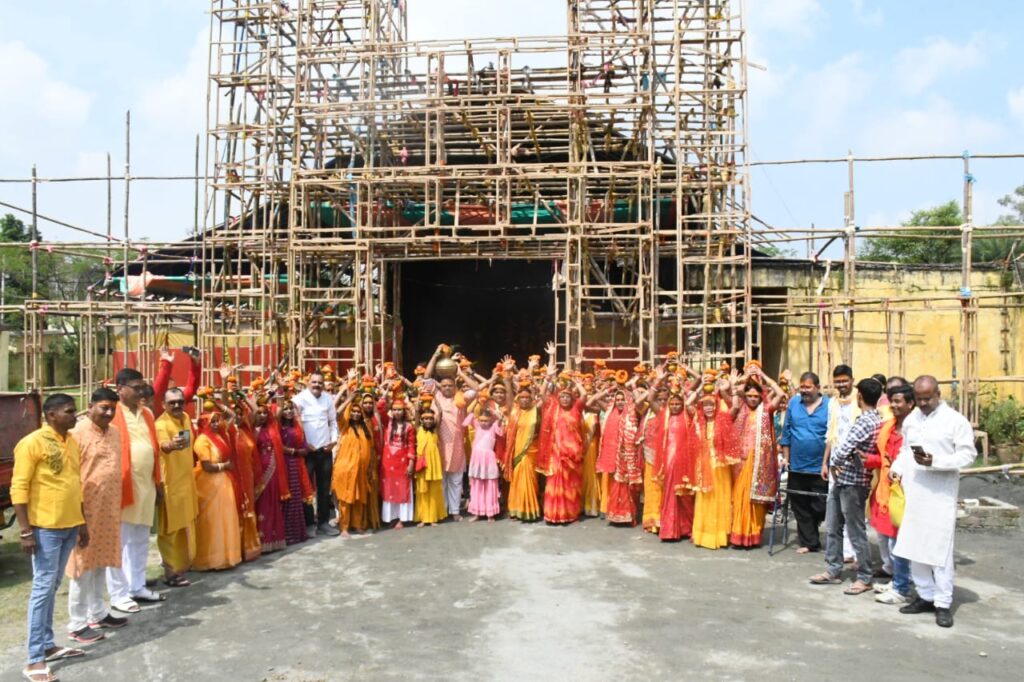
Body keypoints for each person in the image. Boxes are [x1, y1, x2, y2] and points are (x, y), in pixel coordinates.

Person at [12, 394, 90, 681]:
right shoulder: (32, 443)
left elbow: (75, 484)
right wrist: (25, 531)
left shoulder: (70, 440)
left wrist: (82, 523)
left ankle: (47, 645)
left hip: (70, 525)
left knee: (52, 586)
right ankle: (34, 660)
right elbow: (18, 489)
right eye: (69, 411)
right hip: (45, 528)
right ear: (50, 414)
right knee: (43, 589)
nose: (75, 416)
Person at [892, 376, 977, 628]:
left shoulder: (955, 421)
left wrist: (936, 461)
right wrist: (897, 468)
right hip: (914, 492)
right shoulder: (912, 420)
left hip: (940, 495)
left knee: (939, 551)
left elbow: (968, 454)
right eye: (918, 399)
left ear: (938, 394)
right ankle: (925, 595)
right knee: (914, 546)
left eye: (928, 398)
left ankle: (942, 602)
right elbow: (905, 450)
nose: (923, 403)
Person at [66, 388, 128, 645]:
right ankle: (77, 624)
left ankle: (98, 613)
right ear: (90, 406)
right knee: (82, 567)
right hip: (85, 513)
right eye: (103, 407)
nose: (109, 413)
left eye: (112, 408)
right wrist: (78, 517)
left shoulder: (114, 432)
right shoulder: (76, 434)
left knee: (101, 561)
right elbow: (70, 477)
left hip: (108, 510)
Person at [810, 378, 883, 594]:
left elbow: (842, 450)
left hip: (853, 482)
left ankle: (864, 576)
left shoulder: (865, 422)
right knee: (833, 526)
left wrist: (836, 461)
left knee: (854, 530)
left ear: (860, 396)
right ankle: (833, 570)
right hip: (845, 480)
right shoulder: (874, 419)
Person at [108, 368, 165, 613]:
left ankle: (137, 586)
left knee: (141, 539)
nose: (141, 391)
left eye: (142, 386)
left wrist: (158, 483)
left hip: (146, 485)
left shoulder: (148, 414)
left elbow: (154, 449)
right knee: (118, 542)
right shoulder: (111, 413)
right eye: (135, 386)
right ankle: (118, 594)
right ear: (119, 388)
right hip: (123, 487)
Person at [866, 382, 914, 605]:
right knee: (888, 537)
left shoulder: (914, 429)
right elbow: (883, 457)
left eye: (898, 401)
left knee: (901, 541)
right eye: (891, 401)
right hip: (885, 487)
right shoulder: (888, 427)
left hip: (906, 491)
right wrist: (867, 460)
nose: (893, 405)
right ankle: (897, 579)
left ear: (910, 404)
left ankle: (902, 587)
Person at [729, 365, 785, 548]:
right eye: (749, 395)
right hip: (740, 460)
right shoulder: (739, 409)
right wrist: (744, 378)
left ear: (760, 396)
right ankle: (738, 534)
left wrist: (763, 375)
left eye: (755, 396)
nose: (752, 399)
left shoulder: (766, 410)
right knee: (739, 498)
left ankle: (752, 535)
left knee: (754, 500)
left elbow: (780, 394)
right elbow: (731, 392)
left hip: (759, 462)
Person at [779, 372, 830, 553]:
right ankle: (810, 543)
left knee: (820, 505)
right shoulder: (794, 403)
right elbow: (787, 432)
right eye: (802, 387)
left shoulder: (829, 406)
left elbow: (832, 436)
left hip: (820, 467)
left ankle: (813, 530)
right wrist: (786, 457)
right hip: (797, 464)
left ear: (817, 387)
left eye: (808, 387)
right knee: (799, 504)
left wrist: (827, 462)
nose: (805, 390)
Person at [154, 387, 199, 587]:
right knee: (169, 530)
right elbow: (163, 445)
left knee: (185, 525)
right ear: (163, 405)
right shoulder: (161, 424)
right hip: (170, 483)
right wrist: (171, 445)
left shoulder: (187, 418)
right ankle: (170, 573)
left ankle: (182, 566)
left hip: (186, 481)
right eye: (172, 402)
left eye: (180, 401)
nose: (177, 405)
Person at [192, 400, 243, 571]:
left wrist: (215, 400)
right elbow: (207, 466)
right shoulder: (201, 441)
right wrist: (225, 466)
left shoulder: (221, 434)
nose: (215, 424)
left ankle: (227, 557)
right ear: (203, 423)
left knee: (226, 519)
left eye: (216, 421)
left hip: (224, 483)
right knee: (212, 521)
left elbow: (232, 415)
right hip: (209, 484)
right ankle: (211, 559)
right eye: (211, 421)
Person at [689, 380, 740, 548]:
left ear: (717, 407)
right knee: (705, 500)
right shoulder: (698, 420)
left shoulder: (724, 419)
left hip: (720, 468)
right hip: (704, 467)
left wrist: (730, 389)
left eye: (712, 405)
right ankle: (704, 536)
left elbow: (735, 407)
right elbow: (687, 403)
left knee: (720, 499)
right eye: (706, 406)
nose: (709, 408)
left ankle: (720, 535)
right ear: (701, 408)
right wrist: (699, 389)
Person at [292, 372, 341, 537]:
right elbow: (294, 425)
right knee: (306, 490)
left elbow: (333, 422)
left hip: (325, 450)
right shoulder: (299, 399)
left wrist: (334, 441)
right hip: (307, 452)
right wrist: (305, 444)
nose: (317, 385)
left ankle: (323, 523)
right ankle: (308, 524)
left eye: (320, 383)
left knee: (324, 488)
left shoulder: (328, 399)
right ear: (308, 383)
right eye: (314, 382)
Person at [538, 377, 586, 524]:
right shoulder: (554, 409)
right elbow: (542, 394)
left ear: (573, 399)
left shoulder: (576, 408)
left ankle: (570, 514)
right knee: (555, 483)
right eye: (562, 396)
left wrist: (577, 382)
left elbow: (584, 395)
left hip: (573, 455)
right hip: (556, 454)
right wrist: (546, 379)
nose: (565, 399)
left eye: (567, 397)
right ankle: (553, 514)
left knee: (572, 485)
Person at [824, 364, 859, 563]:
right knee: (835, 507)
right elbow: (830, 434)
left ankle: (855, 552)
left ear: (852, 380)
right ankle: (842, 552)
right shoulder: (832, 403)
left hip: (854, 463)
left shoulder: (859, 401)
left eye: (845, 380)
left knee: (853, 509)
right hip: (835, 463)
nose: (841, 384)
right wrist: (825, 463)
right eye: (838, 381)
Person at [331, 389, 375, 537]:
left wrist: (369, 467)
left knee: (359, 498)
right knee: (345, 498)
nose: (356, 414)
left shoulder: (365, 428)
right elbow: (337, 414)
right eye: (353, 412)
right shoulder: (345, 426)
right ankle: (344, 527)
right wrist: (348, 399)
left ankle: (356, 525)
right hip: (345, 469)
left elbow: (370, 449)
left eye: (358, 412)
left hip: (361, 470)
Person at [655, 390, 696, 541]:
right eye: (672, 404)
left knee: (685, 496)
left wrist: (684, 391)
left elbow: (692, 401)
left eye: (678, 404)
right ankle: (669, 530)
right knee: (670, 494)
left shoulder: (688, 415)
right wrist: (658, 383)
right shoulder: (664, 416)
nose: (675, 406)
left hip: (685, 461)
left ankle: (687, 528)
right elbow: (651, 398)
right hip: (669, 462)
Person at [274, 401, 314, 545]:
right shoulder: (278, 427)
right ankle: (285, 534)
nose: (289, 411)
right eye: (286, 409)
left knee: (297, 498)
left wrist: (304, 449)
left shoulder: (297, 425)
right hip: (284, 464)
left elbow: (303, 443)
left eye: (291, 408)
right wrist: (295, 451)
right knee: (286, 498)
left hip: (297, 464)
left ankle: (297, 533)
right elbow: (278, 445)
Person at [253, 401, 289, 551]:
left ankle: (275, 540)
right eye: (259, 413)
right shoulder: (253, 430)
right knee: (262, 504)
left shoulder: (273, 427)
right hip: (260, 470)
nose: (262, 415)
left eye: (265, 413)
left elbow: (280, 409)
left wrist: (280, 391)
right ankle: (262, 542)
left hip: (275, 470)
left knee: (273, 503)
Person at [605, 387, 644, 526]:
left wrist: (634, 387)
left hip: (630, 455)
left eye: (623, 400)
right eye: (618, 400)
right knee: (617, 484)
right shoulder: (611, 413)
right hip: (616, 456)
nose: (620, 402)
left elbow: (640, 400)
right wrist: (606, 390)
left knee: (630, 486)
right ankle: (617, 514)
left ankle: (630, 515)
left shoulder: (633, 412)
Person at [505, 382, 541, 521]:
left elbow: (545, 397)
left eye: (527, 397)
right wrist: (507, 377)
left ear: (532, 399)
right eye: (522, 397)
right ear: (518, 399)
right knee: (517, 481)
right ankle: (516, 509)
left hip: (532, 451)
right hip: (517, 452)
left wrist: (547, 380)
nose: (524, 400)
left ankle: (530, 509)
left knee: (530, 480)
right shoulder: (515, 412)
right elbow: (509, 397)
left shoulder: (536, 410)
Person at [378, 396, 416, 528]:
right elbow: (379, 409)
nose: (397, 412)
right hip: (388, 462)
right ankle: (391, 518)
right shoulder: (387, 423)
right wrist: (385, 396)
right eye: (394, 410)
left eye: (400, 410)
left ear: (404, 411)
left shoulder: (409, 426)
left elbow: (411, 446)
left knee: (402, 489)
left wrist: (411, 464)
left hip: (403, 461)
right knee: (389, 489)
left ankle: (402, 519)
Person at [465, 405, 503, 522]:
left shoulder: (494, 427)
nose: (483, 423)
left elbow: (500, 419)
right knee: (477, 485)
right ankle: (477, 512)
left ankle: (490, 513)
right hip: (477, 459)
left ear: (491, 420)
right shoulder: (477, 426)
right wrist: (477, 400)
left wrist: (493, 411)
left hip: (488, 459)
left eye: (486, 420)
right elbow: (468, 413)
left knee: (490, 484)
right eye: (481, 420)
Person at [413, 395, 447, 526]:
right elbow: (416, 412)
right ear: (421, 420)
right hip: (422, 465)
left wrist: (434, 400)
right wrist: (419, 402)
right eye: (425, 418)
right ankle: (423, 518)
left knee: (434, 491)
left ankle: (433, 518)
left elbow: (441, 413)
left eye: (430, 418)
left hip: (433, 465)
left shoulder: (435, 430)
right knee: (422, 491)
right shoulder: (418, 429)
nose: (428, 420)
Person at [639, 388, 666, 533]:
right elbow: (642, 400)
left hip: (664, 457)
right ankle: (651, 521)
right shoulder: (647, 411)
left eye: (664, 399)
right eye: (659, 399)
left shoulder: (666, 414)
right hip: (649, 455)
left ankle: (662, 520)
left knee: (662, 489)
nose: (662, 402)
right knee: (651, 489)